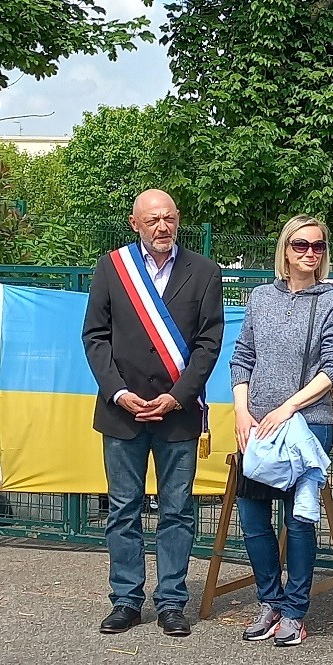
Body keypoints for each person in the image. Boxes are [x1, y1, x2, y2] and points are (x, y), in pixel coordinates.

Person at [82, 189, 224, 638]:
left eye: (168, 218)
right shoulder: (112, 267)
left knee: (177, 510)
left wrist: (179, 396)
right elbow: (95, 337)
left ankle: (171, 602)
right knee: (124, 509)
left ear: (178, 220)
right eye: (152, 220)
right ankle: (125, 599)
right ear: (134, 223)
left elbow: (208, 342)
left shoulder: (204, 272)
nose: (161, 227)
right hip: (122, 412)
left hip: (176, 413)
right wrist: (118, 392)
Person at [229, 214, 333, 647]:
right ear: (285, 249)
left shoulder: (330, 302)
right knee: (253, 518)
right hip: (258, 427)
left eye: (318, 246)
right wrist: (242, 412)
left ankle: (295, 612)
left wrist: (289, 407)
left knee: (300, 520)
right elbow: (242, 357)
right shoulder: (261, 298)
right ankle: (270, 601)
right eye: (301, 245)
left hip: (306, 425)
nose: (310, 254)